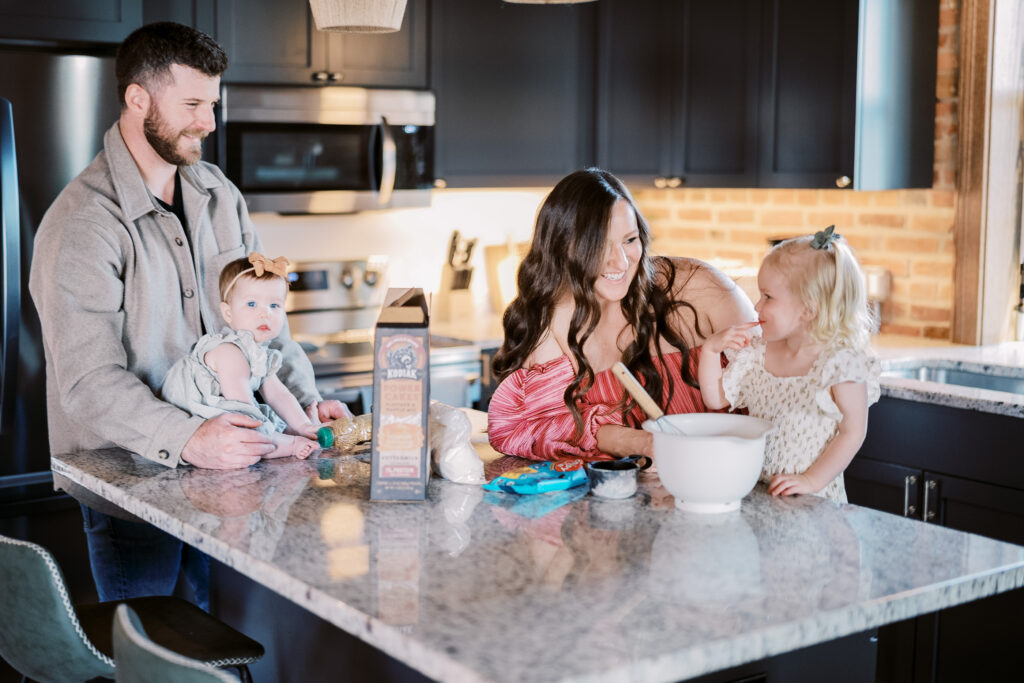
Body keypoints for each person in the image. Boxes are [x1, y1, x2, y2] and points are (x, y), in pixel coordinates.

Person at [28, 22, 349, 609]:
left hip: (220, 472)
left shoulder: (219, 195)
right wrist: (191, 438)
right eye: (194, 104)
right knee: (150, 647)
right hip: (130, 477)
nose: (210, 122)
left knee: (199, 632)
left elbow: (262, 320)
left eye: (214, 103)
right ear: (138, 99)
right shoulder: (83, 224)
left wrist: (305, 401)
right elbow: (85, 381)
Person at [487, 168, 756, 461]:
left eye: (629, 240)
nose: (621, 261)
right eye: (599, 245)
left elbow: (780, 379)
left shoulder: (697, 287)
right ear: (562, 248)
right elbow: (521, 430)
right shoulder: (552, 328)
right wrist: (640, 442)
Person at [697, 226, 880, 503]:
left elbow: (853, 432)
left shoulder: (839, 365)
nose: (757, 306)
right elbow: (716, 398)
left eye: (767, 297)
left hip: (813, 501)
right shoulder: (758, 355)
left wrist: (811, 480)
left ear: (808, 309)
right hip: (759, 493)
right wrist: (710, 350)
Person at [161, 253, 321, 459]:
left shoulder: (261, 353)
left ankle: (286, 437)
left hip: (232, 408)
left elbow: (278, 394)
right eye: (252, 304)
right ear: (228, 313)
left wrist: (303, 425)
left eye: (274, 305)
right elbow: (244, 410)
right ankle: (286, 445)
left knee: (273, 422)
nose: (265, 314)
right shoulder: (230, 352)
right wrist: (283, 438)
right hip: (192, 416)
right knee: (246, 436)